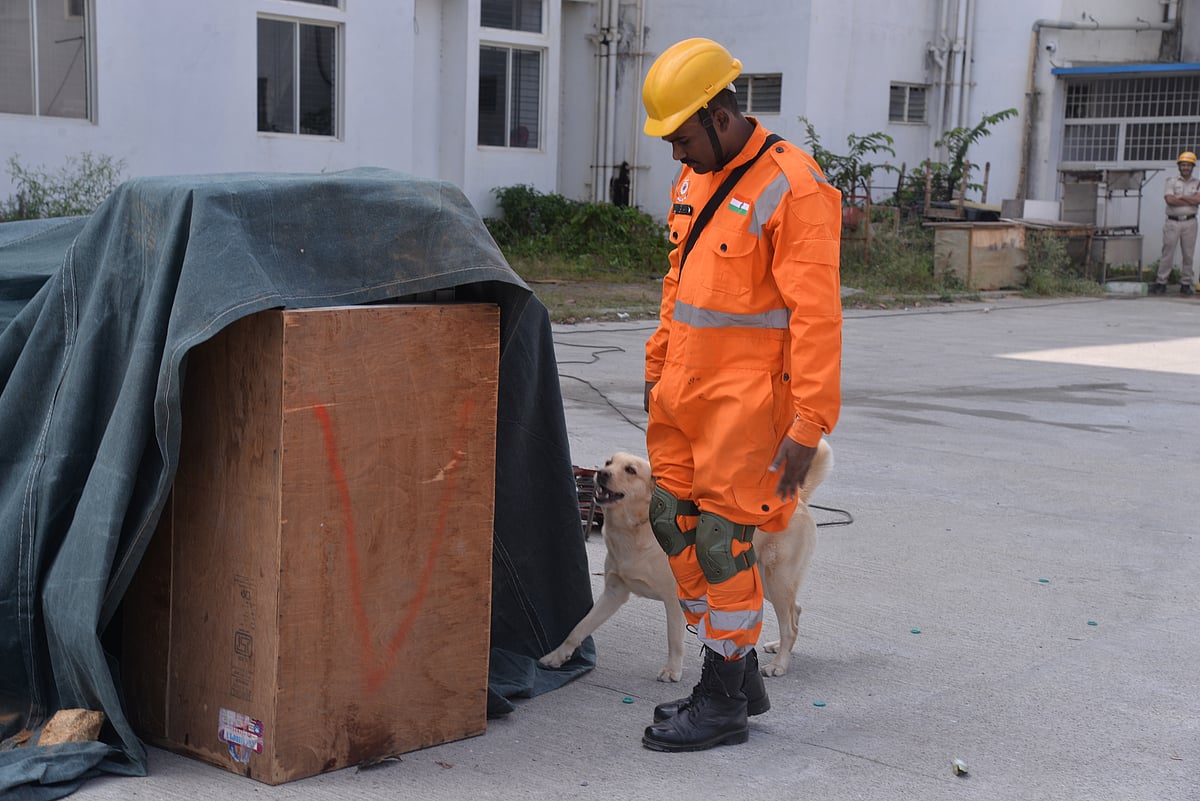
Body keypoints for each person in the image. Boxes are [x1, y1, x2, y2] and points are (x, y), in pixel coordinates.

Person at [638, 37, 843, 752]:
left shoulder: (795, 187)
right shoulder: (694, 181)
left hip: (748, 409)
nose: (675, 154)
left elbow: (817, 317)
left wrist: (809, 424)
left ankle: (723, 701)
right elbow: (678, 283)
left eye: (682, 138)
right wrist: (656, 365)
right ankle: (737, 669)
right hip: (682, 396)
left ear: (720, 117)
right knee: (670, 521)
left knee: (723, 546)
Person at [1153, 151, 1200, 295]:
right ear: (1179, 166)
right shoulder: (1171, 181)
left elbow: (1198, 200)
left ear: (1192, 167)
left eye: (1188, 165)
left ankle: (1185, 283)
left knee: (1188, 254)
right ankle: (1161, 282)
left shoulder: (1197, 182)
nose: (1186, 167)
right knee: (1168, 252)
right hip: (1173, 222)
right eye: (1183, 165)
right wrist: (1190, 200)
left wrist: (1181, 197)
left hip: (1190, 222)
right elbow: (1170, 200)